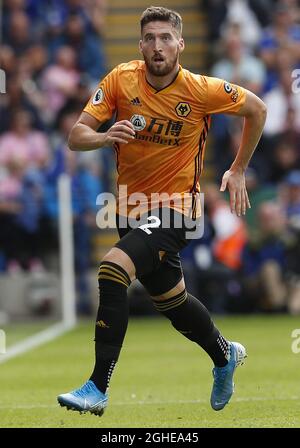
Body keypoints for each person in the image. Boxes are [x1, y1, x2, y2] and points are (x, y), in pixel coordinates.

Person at [57, 6, 267, 416]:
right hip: (129, 210)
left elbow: (257, 109)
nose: (158, 46)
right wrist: (103, 138)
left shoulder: (201, 89)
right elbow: (75, 136)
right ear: (140, 45)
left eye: (166, 38)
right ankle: (225, 356)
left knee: (112, 270)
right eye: (150, 38)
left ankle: (97, 388)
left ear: (180, 44)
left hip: (177, 209)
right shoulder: (120, 80)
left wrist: (238, 168)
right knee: (172, 302)